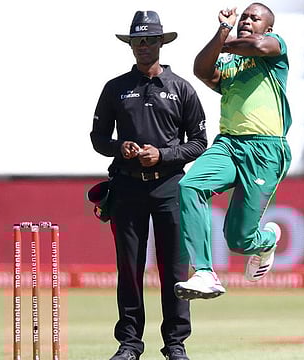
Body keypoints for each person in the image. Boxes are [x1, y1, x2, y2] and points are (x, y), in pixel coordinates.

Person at [90, 10, 207, 360]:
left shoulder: (180, 88)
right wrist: (119, 149)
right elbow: (98, 137)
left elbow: (199, 142)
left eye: (149, 40)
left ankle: (175, 345)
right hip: (127, 187)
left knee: (174, 268)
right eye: (138, 41)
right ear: (131, 45)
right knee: (129, 267)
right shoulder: (116, 88)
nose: (143, 46)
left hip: (170, 186)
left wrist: (164, 155)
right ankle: (129, 344)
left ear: (161, 43)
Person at [174, 3, 292, 300]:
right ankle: (204, 272)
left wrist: (223, 41)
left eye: (256, 18)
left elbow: (258, 46)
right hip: (229, 144)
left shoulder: (275, 49)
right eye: (245, 17)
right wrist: (223, 31)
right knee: (190, 186)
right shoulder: (229, 65)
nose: (248, 21)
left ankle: (267, 240)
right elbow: (201, 69)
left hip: (266, 149)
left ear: (269, 27)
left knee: (239, 241)